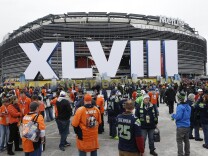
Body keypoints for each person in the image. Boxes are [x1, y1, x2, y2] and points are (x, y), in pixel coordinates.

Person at [171, 92, 191, 156]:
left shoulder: (180, 107)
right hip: (187, 125)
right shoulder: (188, 106)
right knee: (186, 141)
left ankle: (180, 154)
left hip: (181, 126)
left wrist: (173, 115)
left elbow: (178, 117)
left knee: (179, 142)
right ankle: (187, 153)